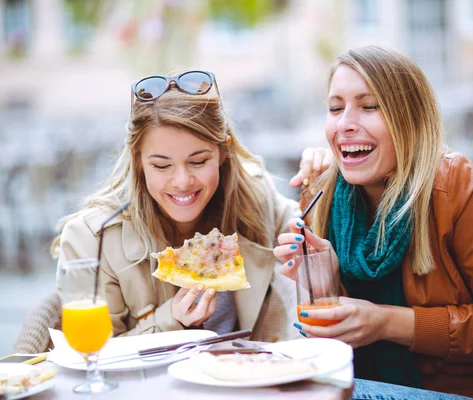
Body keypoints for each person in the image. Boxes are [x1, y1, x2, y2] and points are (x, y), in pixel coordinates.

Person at [273, 46, 473, 399]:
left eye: (369, 106)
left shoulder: (456, 187)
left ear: (410, 119)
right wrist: (327, 281)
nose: (345, 124)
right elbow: (339, 333)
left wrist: (386, 323)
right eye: (335, 108)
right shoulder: (323, 196)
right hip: (361, 383)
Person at [52, 70, 330, 342]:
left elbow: (317, 248)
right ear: (138, 160)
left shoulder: (255, 200)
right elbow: (92, 358)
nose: (182, 181)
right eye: (161, 165)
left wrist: (323, 186)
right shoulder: (89, 238)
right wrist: (171, 319)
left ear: (224, 152)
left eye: (198, 162)